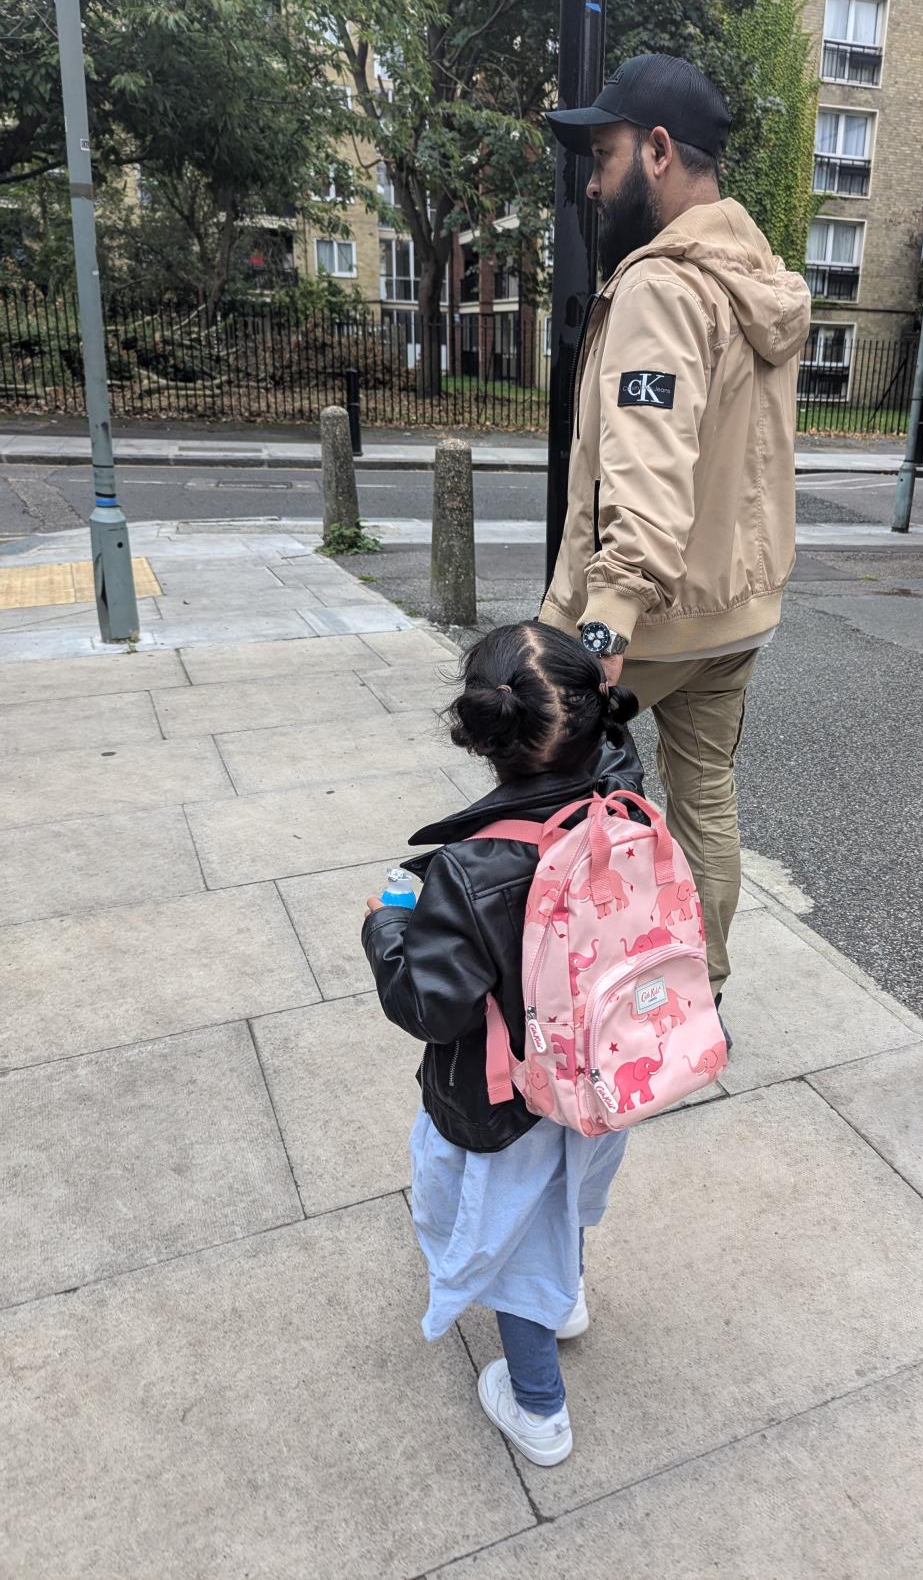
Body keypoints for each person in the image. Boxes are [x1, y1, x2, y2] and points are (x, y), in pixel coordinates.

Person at [540, 53, 811, 1004]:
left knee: (551, 800)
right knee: (705, 802)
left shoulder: (662, 287)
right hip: (737, 613)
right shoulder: (760, 280)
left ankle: (579, 996)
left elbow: (648, 478)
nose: (593, 178)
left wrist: (600, 630)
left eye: (604, 153)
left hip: (647, 619)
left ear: (657, 151)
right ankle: (698, 993)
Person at [361, 621, 641, 1468]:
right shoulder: (625, 794)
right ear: (594, 714)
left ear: (485, 740)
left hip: (511, 1098)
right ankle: (570, 1301)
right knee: (564, 1198)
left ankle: (538, 1408)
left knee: (515, 1241)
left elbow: (430, 1006)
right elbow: (616, 734)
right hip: (606, 1071)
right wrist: (601, 671)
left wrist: (389, 925)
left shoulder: (473, 867)